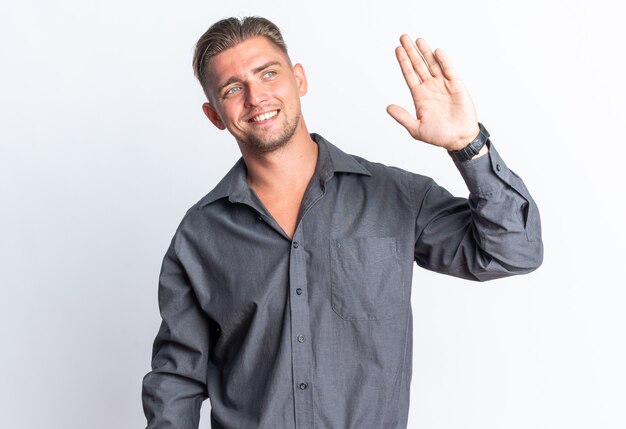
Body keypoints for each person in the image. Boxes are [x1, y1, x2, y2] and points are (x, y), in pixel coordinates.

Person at [142, 16, 542, 429]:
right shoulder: (199, 234)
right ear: (215, 115)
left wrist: (468, 145)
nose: (256, 96)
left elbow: (513, 252)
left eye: (268, 73)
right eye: (232, 88)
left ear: (299, 79)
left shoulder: (396, 197)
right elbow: (176, 381)